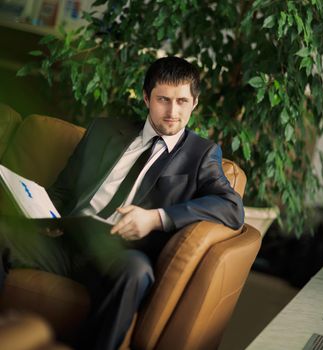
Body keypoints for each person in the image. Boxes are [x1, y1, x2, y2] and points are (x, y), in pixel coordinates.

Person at [0, 56, 244, 350]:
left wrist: (156, 218)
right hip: (65, 238)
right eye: (163, 99)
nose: (172, 111)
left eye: (182, 101)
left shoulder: (201, 154)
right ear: (146, 98)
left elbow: (231, 207)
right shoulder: (104, 131)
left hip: (119, 251)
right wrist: (36, 205)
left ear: (194, 102)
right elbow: (63, 192)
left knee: (136, 273)